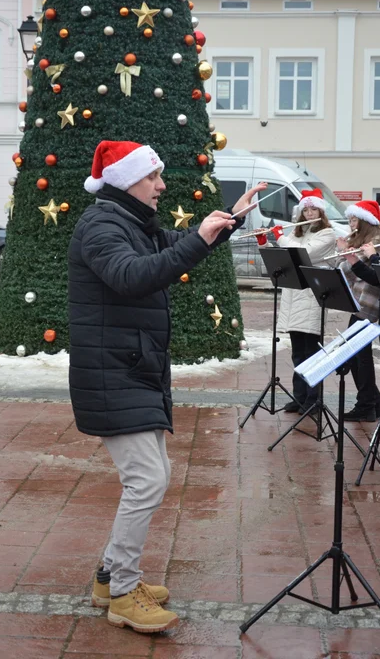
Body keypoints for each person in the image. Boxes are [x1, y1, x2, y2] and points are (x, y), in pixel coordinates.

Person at [67, 140, 266, 634]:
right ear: (128, 180)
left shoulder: (130, 222)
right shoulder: (100, 225)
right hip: (114, 372)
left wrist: (223, 226)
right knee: (147, 480)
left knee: (153, 474)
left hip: (133, 369)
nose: (161, 186)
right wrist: (197, 239)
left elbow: (167, 249)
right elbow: (132, 276)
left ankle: (108, 577)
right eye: (154, 177)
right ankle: (123, 593)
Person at [256, 189, 336, 414]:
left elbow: (303, 254)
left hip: (312, 296)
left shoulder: (327, 234)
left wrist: (280, 236)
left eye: (313, 209)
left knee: (312, 351)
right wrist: (265, 242)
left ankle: (314, 399)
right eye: (306, 209)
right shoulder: (297, 233)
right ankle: (299, 397)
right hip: (294, 297)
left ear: (320, 210)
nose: (310, 213)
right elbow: (284, 257)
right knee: (298, 352)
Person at [335, 200, 380, 422]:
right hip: (358, 301)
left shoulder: (377, 242)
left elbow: (375, 276)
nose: (351, 224)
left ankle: (368, 403)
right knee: (356, 352)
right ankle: (371, 402)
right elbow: (345, 271)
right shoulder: (361, 241)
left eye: (354, 219)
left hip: (370, 302)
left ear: (366, 221)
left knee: (358, 353)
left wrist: (350, 257)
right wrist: (342, 252)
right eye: (349, 220)